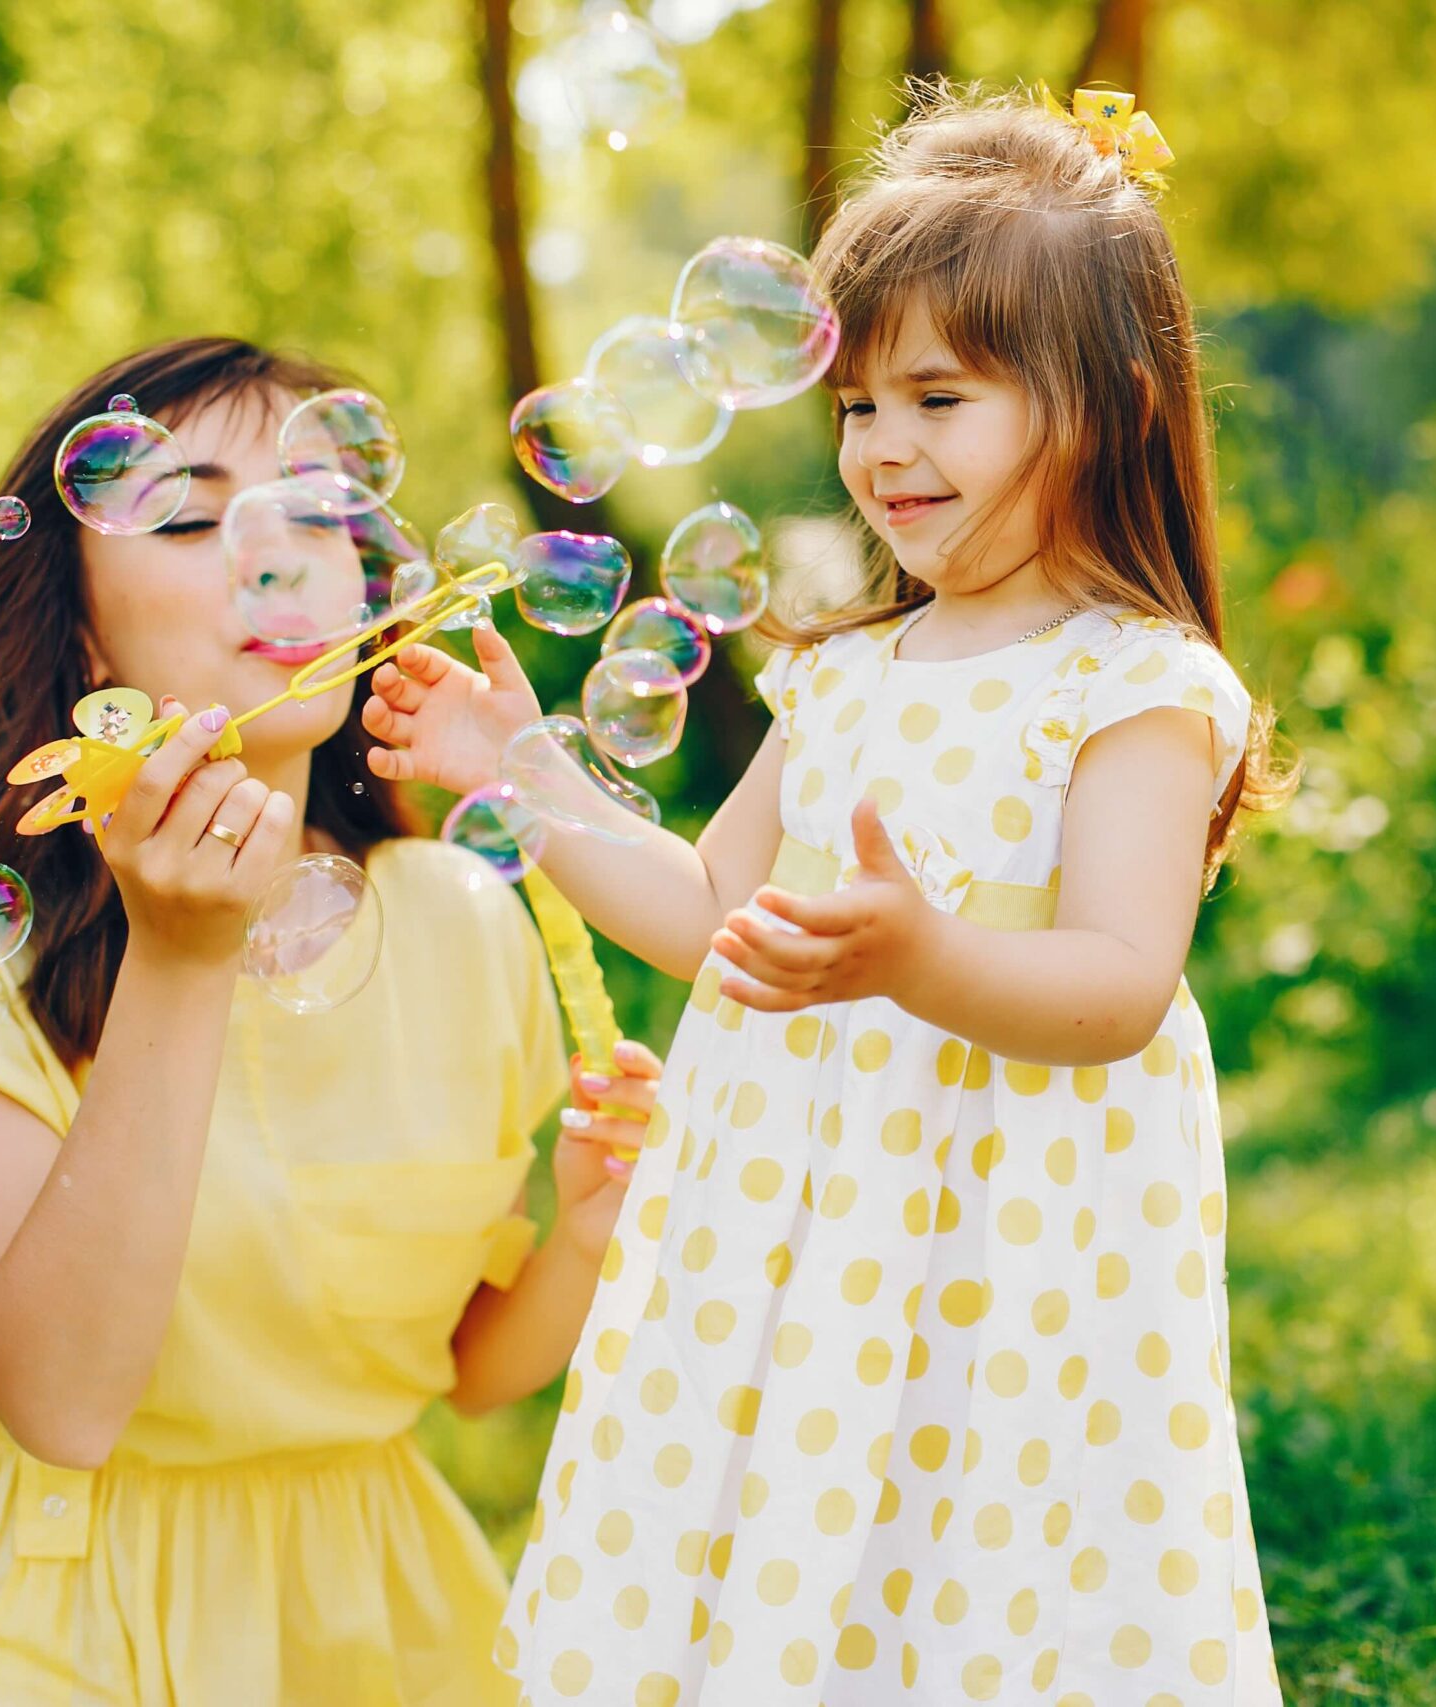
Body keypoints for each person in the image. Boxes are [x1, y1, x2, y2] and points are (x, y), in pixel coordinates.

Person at [364, 85, 1294, 1703]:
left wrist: (921, 956)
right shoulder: (848, 675)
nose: (884, 448)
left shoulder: (1135, 682)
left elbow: (1121, 982)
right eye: (859, 405)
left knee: (968, 1559)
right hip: (789, 1240)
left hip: (1004, 1244)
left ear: (1116, 404)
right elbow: (711, 910)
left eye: (939, 395)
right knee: (791, 1546)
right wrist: (523, 766)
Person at [0, 336, 656, 1705]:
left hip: (371, 1624)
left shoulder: (460, 917)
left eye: (321, 512)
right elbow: (61, 1402)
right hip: (49, 1619)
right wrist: (180, 964)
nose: (279, 552)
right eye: (193, 517)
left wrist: (587, 1238)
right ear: (79, 626)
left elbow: (466, 1372)